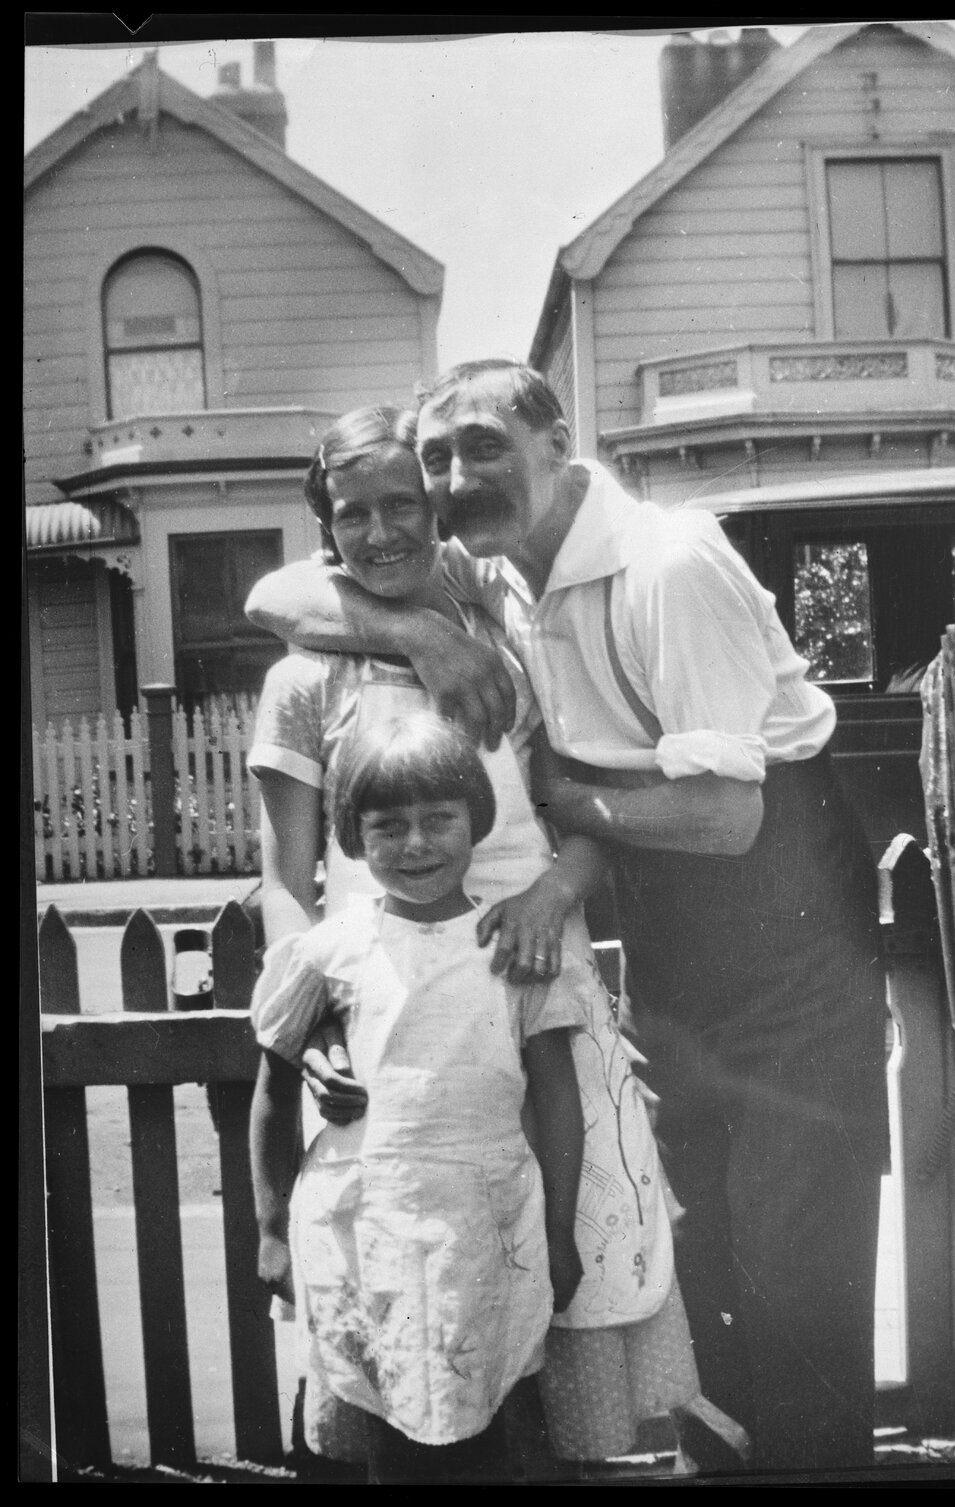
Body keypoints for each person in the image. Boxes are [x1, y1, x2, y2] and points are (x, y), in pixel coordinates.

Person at [248, 359, 891, 1476]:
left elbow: (727, 815)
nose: (452, 480)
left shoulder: (665, 564)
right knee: (703, 1256)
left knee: (787, 1259)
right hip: (663, 946)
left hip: (779, 925)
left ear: (557, 440)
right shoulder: (494, 582)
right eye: (438, 457)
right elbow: (275, 593)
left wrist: (552, 821)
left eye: (482, 446)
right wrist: (425, 641)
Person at [246, 404, 697, 1471]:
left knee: (564, 1237)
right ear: (325, 524)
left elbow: (579, 804)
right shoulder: (307, 677)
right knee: (416, 1274)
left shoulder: (506, 633)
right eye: (352, 513)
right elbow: (284, 874)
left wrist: (557, 889)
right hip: (387, 1002)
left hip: (530, 973)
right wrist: (314, 1019)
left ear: (440, 511)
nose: (382, 532)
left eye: (406, 505)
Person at [251, 711, 587, 1483]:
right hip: (365, 1223)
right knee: (390, 1428)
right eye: (387, 826)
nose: (415, 844)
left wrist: (561, 1233)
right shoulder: (329, 951)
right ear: (352, 835)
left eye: (439, 819)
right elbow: (272, 1086)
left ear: (477, 819)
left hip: (486, 1221)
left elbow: (560, 1104)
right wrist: (270, 1227)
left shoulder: (514, 947)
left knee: (491, 1415)